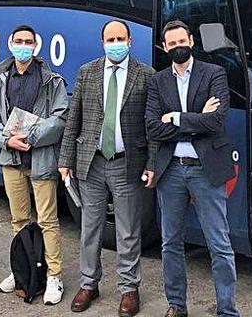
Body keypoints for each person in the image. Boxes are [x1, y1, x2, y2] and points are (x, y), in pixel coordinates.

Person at [58, 19, 155, 317]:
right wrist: (65, 160)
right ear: (102, 42)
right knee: (90, 228)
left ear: (130, 41)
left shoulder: (146, 75)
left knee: (127, 230)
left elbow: (151, 126)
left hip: (127, 164)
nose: (115, 43)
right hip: (92, 161)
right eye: (110, 39)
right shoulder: (87, 72)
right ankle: (89, 283)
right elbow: (73, 118)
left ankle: (129, 288)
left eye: (120, 38)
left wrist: (151, 163)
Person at [144, 20, 239, 317]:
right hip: (170, 170)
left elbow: (217, 121)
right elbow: (151, 127)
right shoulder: (158, 81)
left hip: (205, 169)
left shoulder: (214, 74)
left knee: (219, 243)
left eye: (181, 41)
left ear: (192, 40)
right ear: (164, 48)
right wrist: (193, 120)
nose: (177, 47)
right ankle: (176, 305)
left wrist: (173, 118)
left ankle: (227, 310)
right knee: (170, 242)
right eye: (171, 44)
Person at [0, 25, 69, 305]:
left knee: (47, 220)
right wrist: (7, 141)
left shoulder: (51, 80)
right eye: (18, 41)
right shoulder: (1, 80)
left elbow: (61, 118)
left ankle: (54, 275)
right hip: (11, 159)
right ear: (10, 44)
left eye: (28, 41)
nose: (23, 45)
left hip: (41, 159)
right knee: (18, 219)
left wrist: (31, 137)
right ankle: (22, 270)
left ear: (36, 46)